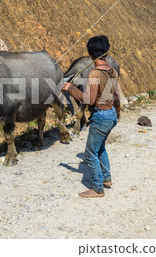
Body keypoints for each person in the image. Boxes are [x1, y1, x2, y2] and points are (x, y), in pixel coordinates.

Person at [62, 35, 120, 198]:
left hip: (101, 116)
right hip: (111, 114)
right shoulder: (112, 70)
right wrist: (117, 113)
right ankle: (106, 179)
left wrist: (70, 88)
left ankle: (97, 188)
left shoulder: (95, 74)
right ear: (106, 51)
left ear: (90, 54)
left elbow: (88, 100)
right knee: (100, 147)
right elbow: (116, 95)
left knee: (90, 153)